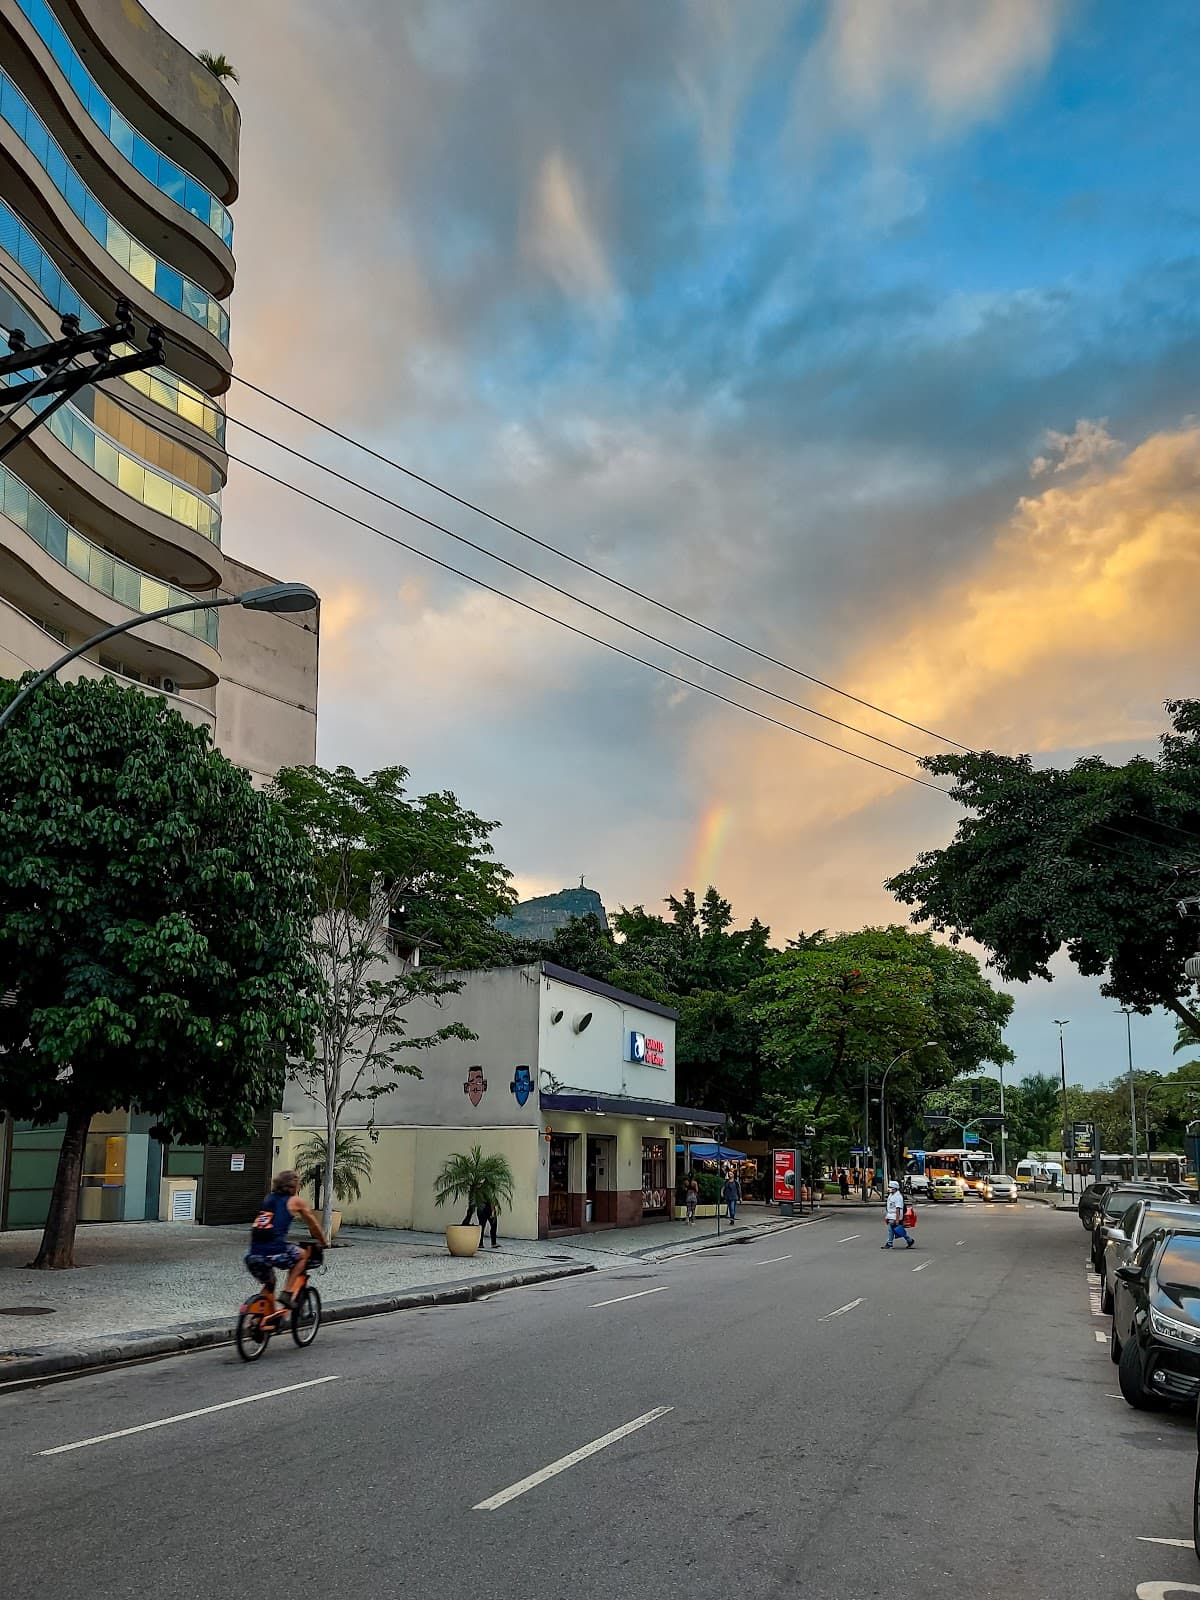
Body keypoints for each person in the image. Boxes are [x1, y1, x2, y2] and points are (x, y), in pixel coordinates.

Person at [246, 1169, 328, 1307]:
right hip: (275, 1251)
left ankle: (256, 1319)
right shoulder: (295, 1201)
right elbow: (313, 1225)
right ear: (294, 1186)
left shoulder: (269, 1198)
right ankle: (288, 1293)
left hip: (253, 1253)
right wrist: (324, 1241)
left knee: (270, 1282)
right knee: (302, 1256)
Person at [882, 1179, 913, 1249]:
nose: (889, 1189)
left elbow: (897, 1209)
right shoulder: (891, 1195)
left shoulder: (898, 1197)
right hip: (890, 1215)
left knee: (891, 1229)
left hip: (895, 1216)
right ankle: (909, 1240)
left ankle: (889, 1243)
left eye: (890, 1187)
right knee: (895, 1229)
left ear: (895, 1188)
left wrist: (897, 1219)